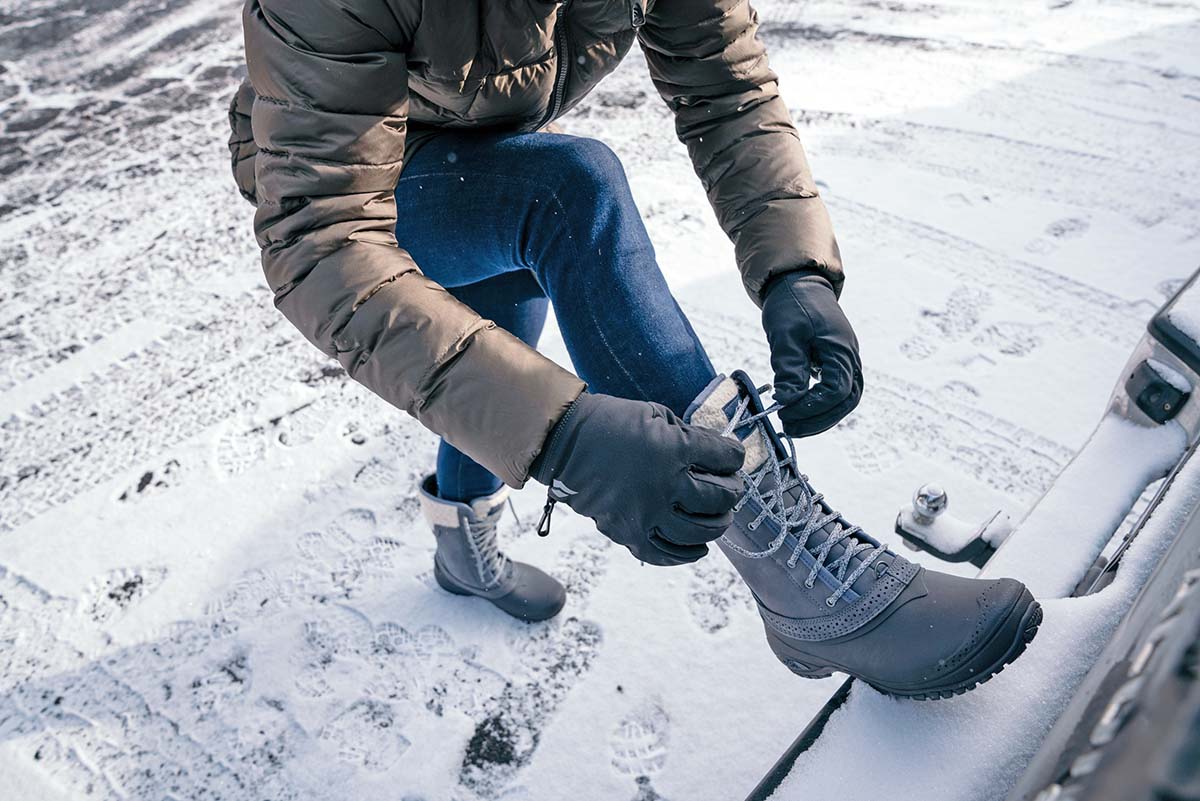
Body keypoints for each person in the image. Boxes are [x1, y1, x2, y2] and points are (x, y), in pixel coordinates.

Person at [228, 0, 1041, 698]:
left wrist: (795, 268)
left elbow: (726, 88)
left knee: (493, 339)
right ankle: (800, 579)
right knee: (567, 192)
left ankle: (460, 549)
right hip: (340, 175)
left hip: (480, 140)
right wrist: (565, 437)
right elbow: (322, 240)